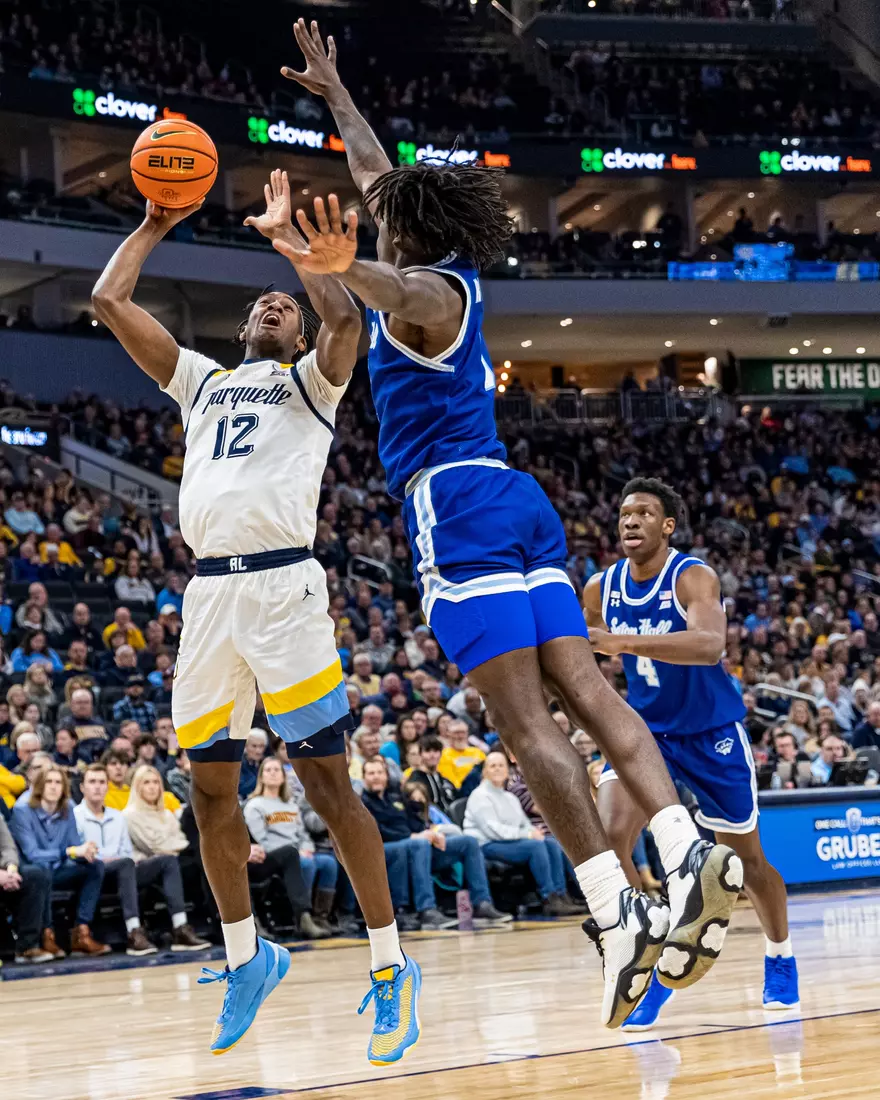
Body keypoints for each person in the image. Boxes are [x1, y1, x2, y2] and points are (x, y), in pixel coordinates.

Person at [279, 17, 741, 1032]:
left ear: (401, 226)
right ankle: (677, 845)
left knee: (525, 721)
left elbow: (390, 282)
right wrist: (337, 95)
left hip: (456, 504)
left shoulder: (423, 292)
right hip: (515, 497)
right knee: (579, 686)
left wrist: (340, 266)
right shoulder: (452, 269)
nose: (375, 202)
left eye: (382, 211)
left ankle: (616, 912)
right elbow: (377, 178)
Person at [92, 169, 418, 1063]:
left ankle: (390, 967)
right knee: (209, 791)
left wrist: (295, 247)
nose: (276, 303)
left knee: (325, 784)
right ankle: (247, 957)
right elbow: (108, 297)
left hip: (284, 591)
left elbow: (348, 322)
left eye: (288, 304)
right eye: (265, 302)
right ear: (243, 329)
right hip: (209, 599)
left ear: (299, 332)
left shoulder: (314, 381)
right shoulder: (201, 384)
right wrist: (158, 222)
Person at [584, 478, 798, 1029]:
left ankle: (780, 955)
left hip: (711, 733)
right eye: (625, 513)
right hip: (645, 734)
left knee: (748, 863)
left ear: (667, 526)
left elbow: (709, 647)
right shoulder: (598, 588)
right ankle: (653, 953)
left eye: (645, 513)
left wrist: (623, 642)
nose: (630, 521)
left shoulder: (693, 575)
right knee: (609, 839)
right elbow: (582, 663)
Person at [74, 763, 209, 955]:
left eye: (102, 782)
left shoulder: (117, 816)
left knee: (170, 861)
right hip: (91, 871)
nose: (97, 786)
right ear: (82, 787)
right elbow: (78, 852)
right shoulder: (76, 816)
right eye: (92, 782)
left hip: (126, 869)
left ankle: (181, 927)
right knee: (131, 863)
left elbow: (130, 850)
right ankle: (133, 931)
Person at [361, 756, 509, 928]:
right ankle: (427, 909)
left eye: (380, 772)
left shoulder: (395, 797)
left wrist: (431, 832)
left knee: (468, 842)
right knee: (420, 844)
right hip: (385, 850)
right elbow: (376, 832)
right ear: (364, 777)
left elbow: (414, 821)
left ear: (387, 775)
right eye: (371, 773)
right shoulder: (362, 802)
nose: (376, 776)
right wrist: (412, 837)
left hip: (416, 848)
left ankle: (481, 903)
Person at [464, 750, 579, 917]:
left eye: (501, 765)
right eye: (492, 766)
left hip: (509, 842)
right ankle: (548, 897)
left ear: (507, 771)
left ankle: (561, 894)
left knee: (550, 842)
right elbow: (493, 830)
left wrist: (532, 831)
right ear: (485, 771)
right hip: (486, 844)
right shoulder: (479, 795)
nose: (497, 769)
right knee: (535, 846)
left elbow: (524, 823)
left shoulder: (509, 797)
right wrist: (527, 835)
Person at [10, 766, 110, 958]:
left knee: (95, 866)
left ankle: (81, 931)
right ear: (39, 785)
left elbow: (74, 844)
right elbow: (32, 854)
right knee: (42, 872)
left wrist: (86, 851)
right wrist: (71, 851)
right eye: (49, 782)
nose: (54, 787)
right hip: (33, 872)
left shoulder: (68, 806)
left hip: (60, 868)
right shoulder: (22, 809)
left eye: (58, 782)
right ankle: (47, 934)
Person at [243, 757, 332, 939]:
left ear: (284, 777)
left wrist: (306, 848)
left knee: (328, 863)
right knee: (299, 859)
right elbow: (261, 840)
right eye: (268, 770)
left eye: (277, 770)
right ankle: (302, 917)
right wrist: (295, 852)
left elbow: (303, 834)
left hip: (295, 852)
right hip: (269, 856)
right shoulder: (254, 805)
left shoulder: (291, 805)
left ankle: (320, 916)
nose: (273, 773)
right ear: (261, 777)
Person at [0, 813, 54, 963]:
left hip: (4, 871)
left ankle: (27, 947)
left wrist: (11, 869)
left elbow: (8, 847)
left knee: (35, 876)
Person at [408, 735, 458, 812]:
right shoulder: (416, 780)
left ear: (440, 754)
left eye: (435, 751)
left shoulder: (443, 779)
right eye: (427, 751)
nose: (432, 755)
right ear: (420, 754)